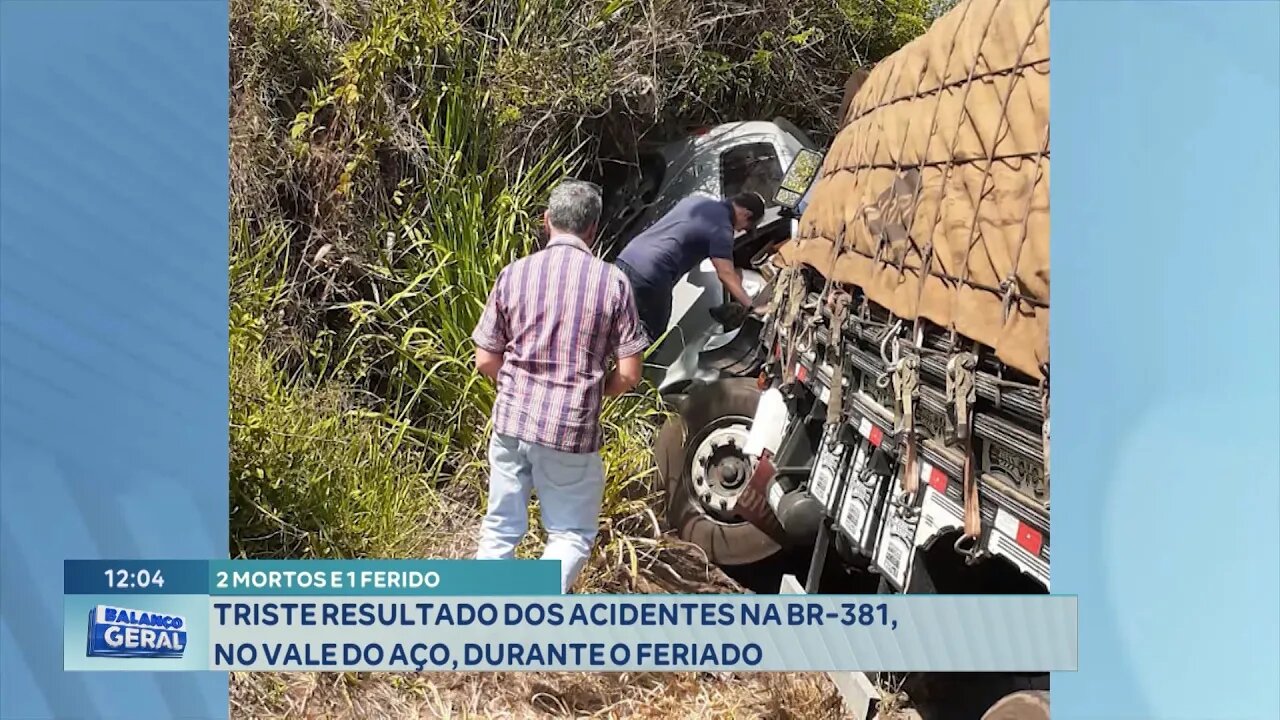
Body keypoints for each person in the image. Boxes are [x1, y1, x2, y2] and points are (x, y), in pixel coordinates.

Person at [471, 180, 649, 593]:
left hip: (512, 421)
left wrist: (517, 386)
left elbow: (485, 357)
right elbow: (629, 372)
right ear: (594, 229)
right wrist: (590, 393)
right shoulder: (613, 283)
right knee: (570, 534)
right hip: (570, 429)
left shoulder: (514, 274)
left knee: (499, 527)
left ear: (547, 221)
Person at [614, 192, 767, 343]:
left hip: (626, 258)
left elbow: (686, 233)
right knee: (650, 335)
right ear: (746, 214)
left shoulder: (696, 200)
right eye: (747, 227)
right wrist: (751, 307)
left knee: (611, 317)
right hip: (652, 274)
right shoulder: (722, 229)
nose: (740, 231)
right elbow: (726, 274)